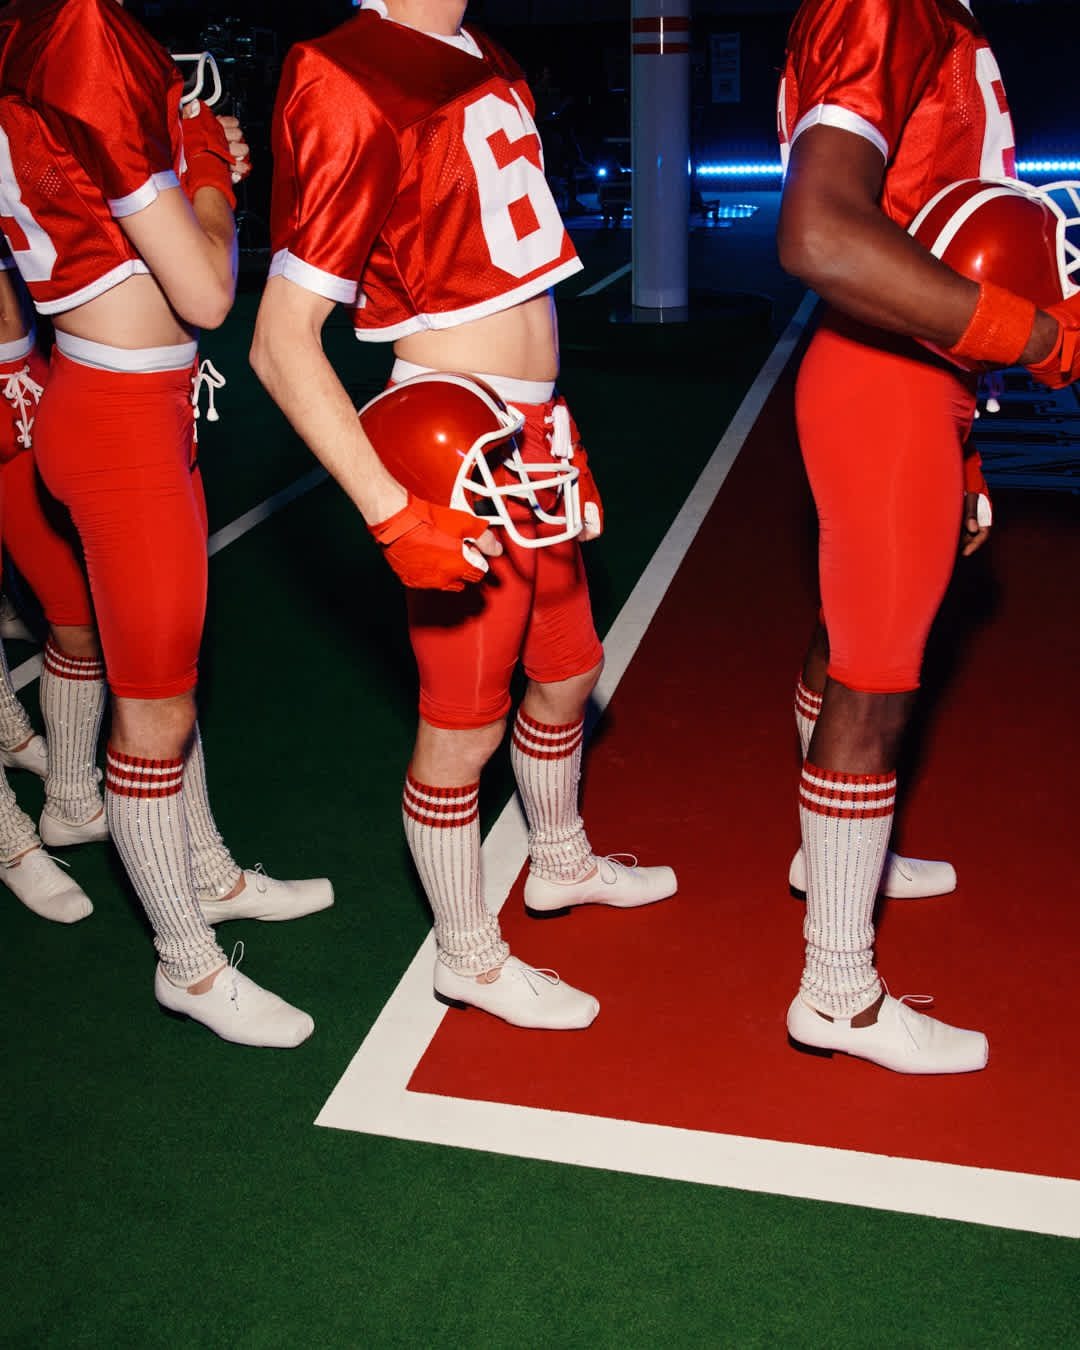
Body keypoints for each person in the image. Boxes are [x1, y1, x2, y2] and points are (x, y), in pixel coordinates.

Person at [251, 0, 676, 1031]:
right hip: (455, 440)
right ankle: (466, 955)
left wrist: (552, 422)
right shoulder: (345, 70)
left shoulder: (482, 49)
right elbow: (279, 340)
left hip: (531, 428)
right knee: (463, 725)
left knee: (569, 669)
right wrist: (393, 513)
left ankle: (558, 859)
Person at [0, 0, 333, 1047]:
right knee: (154, 712)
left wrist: (188, 158)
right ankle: (185, 966)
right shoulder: (76, 30)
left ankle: (207, 873)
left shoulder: (37, 30)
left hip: (123, 404)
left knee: (165, 685)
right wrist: (210, 173)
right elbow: (205, 292)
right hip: (120, 424)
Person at [775, 0, 1080, 1073]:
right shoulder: (888, 3)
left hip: (911, 374)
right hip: (889, 377)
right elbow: (820, 231)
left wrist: (965, 449)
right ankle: (837, 993)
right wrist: (1030, 333)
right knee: (877, 682)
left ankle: (833, 859)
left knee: (852, 633)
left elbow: (921, 203)